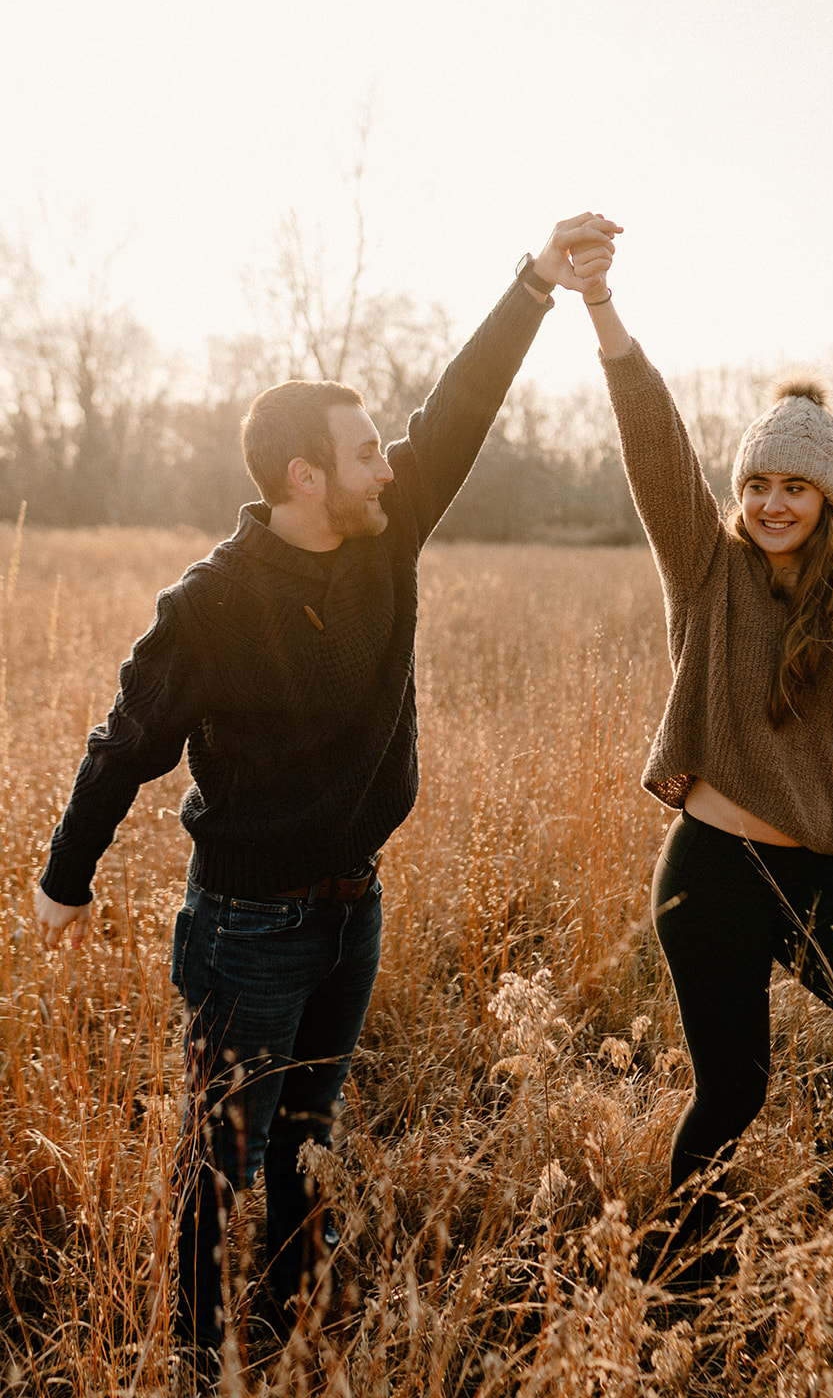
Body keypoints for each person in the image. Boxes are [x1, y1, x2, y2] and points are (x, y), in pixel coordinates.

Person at [32, 211, 620, 1381]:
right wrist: (63, 879)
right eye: (363, 453)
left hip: (354, 913)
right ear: (304, 476)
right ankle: (201, 1364)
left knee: (310, 1145)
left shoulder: (380, 542)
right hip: (246, 929)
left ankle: (295, 1335)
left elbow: (455, 412)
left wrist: (533, 283)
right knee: (218, 1168)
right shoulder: (207, 605)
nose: (387, 464)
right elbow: (124, 741)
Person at [577, 235, 833, 1281]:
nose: (773, 503)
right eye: (758, 482)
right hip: (704, 873)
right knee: (731, 1091)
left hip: (806, 873)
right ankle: (673, 1273)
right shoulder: (705, 570)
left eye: (795, 485)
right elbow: (654, 441)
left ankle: (801, 1220)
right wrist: (601, 304)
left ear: (826, 496)